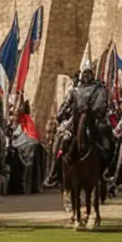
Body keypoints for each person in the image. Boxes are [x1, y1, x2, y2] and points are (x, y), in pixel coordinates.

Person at [45, 57, 113, 186]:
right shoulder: (74, 90)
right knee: (59, 138)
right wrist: (60, 115)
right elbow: (65, 105)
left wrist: (96, 111)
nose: (87, 75)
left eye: (89, 73)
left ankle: (108, 170)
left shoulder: (99, 89)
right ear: (81, 74)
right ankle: (54, 172)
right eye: (85, 73)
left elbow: (102, 105)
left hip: (95, 119)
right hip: (75, 119)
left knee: (108, 139)